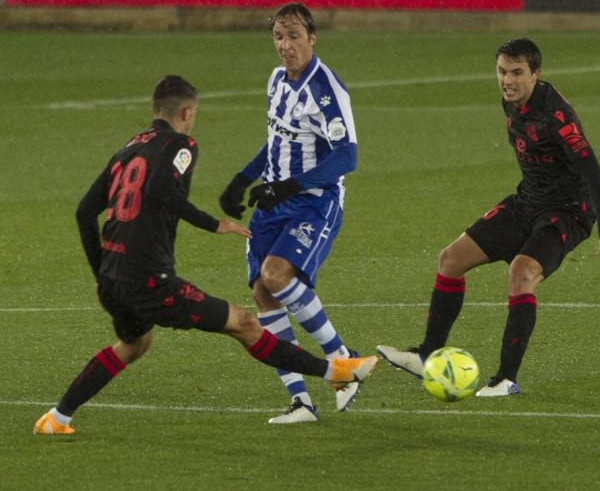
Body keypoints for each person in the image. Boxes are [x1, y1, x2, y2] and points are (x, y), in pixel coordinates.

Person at [33, 75, 377, 435]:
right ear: (186, 110)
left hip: (113, 279)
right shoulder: (183, 144)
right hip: (152, 282)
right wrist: (214, 224)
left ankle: (58, 417)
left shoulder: (128, 148)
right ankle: (337, 371)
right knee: (243, 324)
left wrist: (101, 275)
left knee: (134, 344)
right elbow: (160, 188)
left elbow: (84, 212)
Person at [377, 38, 600, 396]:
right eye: (501, 72)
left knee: (521, 272)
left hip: (566, 212)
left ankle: (505, 379)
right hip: (526, 202)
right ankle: (426, 355)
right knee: (450, 259)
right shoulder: (511, 101)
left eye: (517, 73)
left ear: (536, 74)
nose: (507, 80)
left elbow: (594, 174)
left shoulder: (557, 117)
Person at [219, 3, 360, 424]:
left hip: (314, 202)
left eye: (294, 36)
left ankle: (342, 362)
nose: (286, 45)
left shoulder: (326, 88)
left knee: (277, 276)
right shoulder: (277, 80)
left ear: (312, 38)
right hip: (273, 201)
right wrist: (241, 179)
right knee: (262, 293)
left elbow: (347, 156)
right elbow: (276, 141)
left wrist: (289, 186)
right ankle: (301, 401)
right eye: (279, 37)